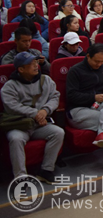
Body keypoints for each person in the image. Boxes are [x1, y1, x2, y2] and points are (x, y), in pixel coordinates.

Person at [1, 51, 63, 182]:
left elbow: (55, 97)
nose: (36, 65)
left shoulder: (46, 80)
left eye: (36, 62)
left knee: (58, 132)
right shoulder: (9, 86)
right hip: (19, 124)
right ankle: (20, 177)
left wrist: (45, 111)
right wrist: (36, 114)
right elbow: (12, 106)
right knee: (16, 139)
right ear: (21, 69)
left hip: (40, 124)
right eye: (31, 63)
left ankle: (46, 170)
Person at [66, 44, 103, 170]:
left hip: (98, 105)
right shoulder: (75, 71)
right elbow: (71, 96)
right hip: (78, 110)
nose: (99, 64)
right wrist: (93, 97)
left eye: (102, 61)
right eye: (96, 61)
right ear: (88, 56)